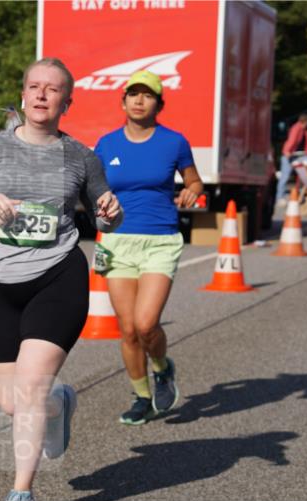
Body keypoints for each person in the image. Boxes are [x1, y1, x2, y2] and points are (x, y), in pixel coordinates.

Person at [0, 58, 122, 501]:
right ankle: (61, 402)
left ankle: (21, 494)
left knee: (30, 388)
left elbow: (105, 217)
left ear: (67, 100)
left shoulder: (82, 157)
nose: (42, 95)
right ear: (23, 94)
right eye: (34, 87)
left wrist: (110, 211)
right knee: (10, 401)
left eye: (53, 89)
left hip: (58, 274)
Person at [93, 70, 203, 425]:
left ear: (159, 103)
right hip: (117, 241)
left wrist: (192, 191)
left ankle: (162, 368)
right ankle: (141, 397)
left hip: (160, 240)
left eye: (148, 95)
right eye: (133, 94)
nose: (140, 100)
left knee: (146, 323)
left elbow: (194, 181)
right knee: (127, 330)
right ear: (122, 100)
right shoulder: (106, 144)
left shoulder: (174, 142)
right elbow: (91, 189)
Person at [275, 113, 307, 203]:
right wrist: (287, 152)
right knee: (285, 176)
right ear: (305, 122)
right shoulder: (296, 128)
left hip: (296, 155)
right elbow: (291, 140)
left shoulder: (305, 131)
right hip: (289, 155)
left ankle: (304, 191)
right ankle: (279, 197)